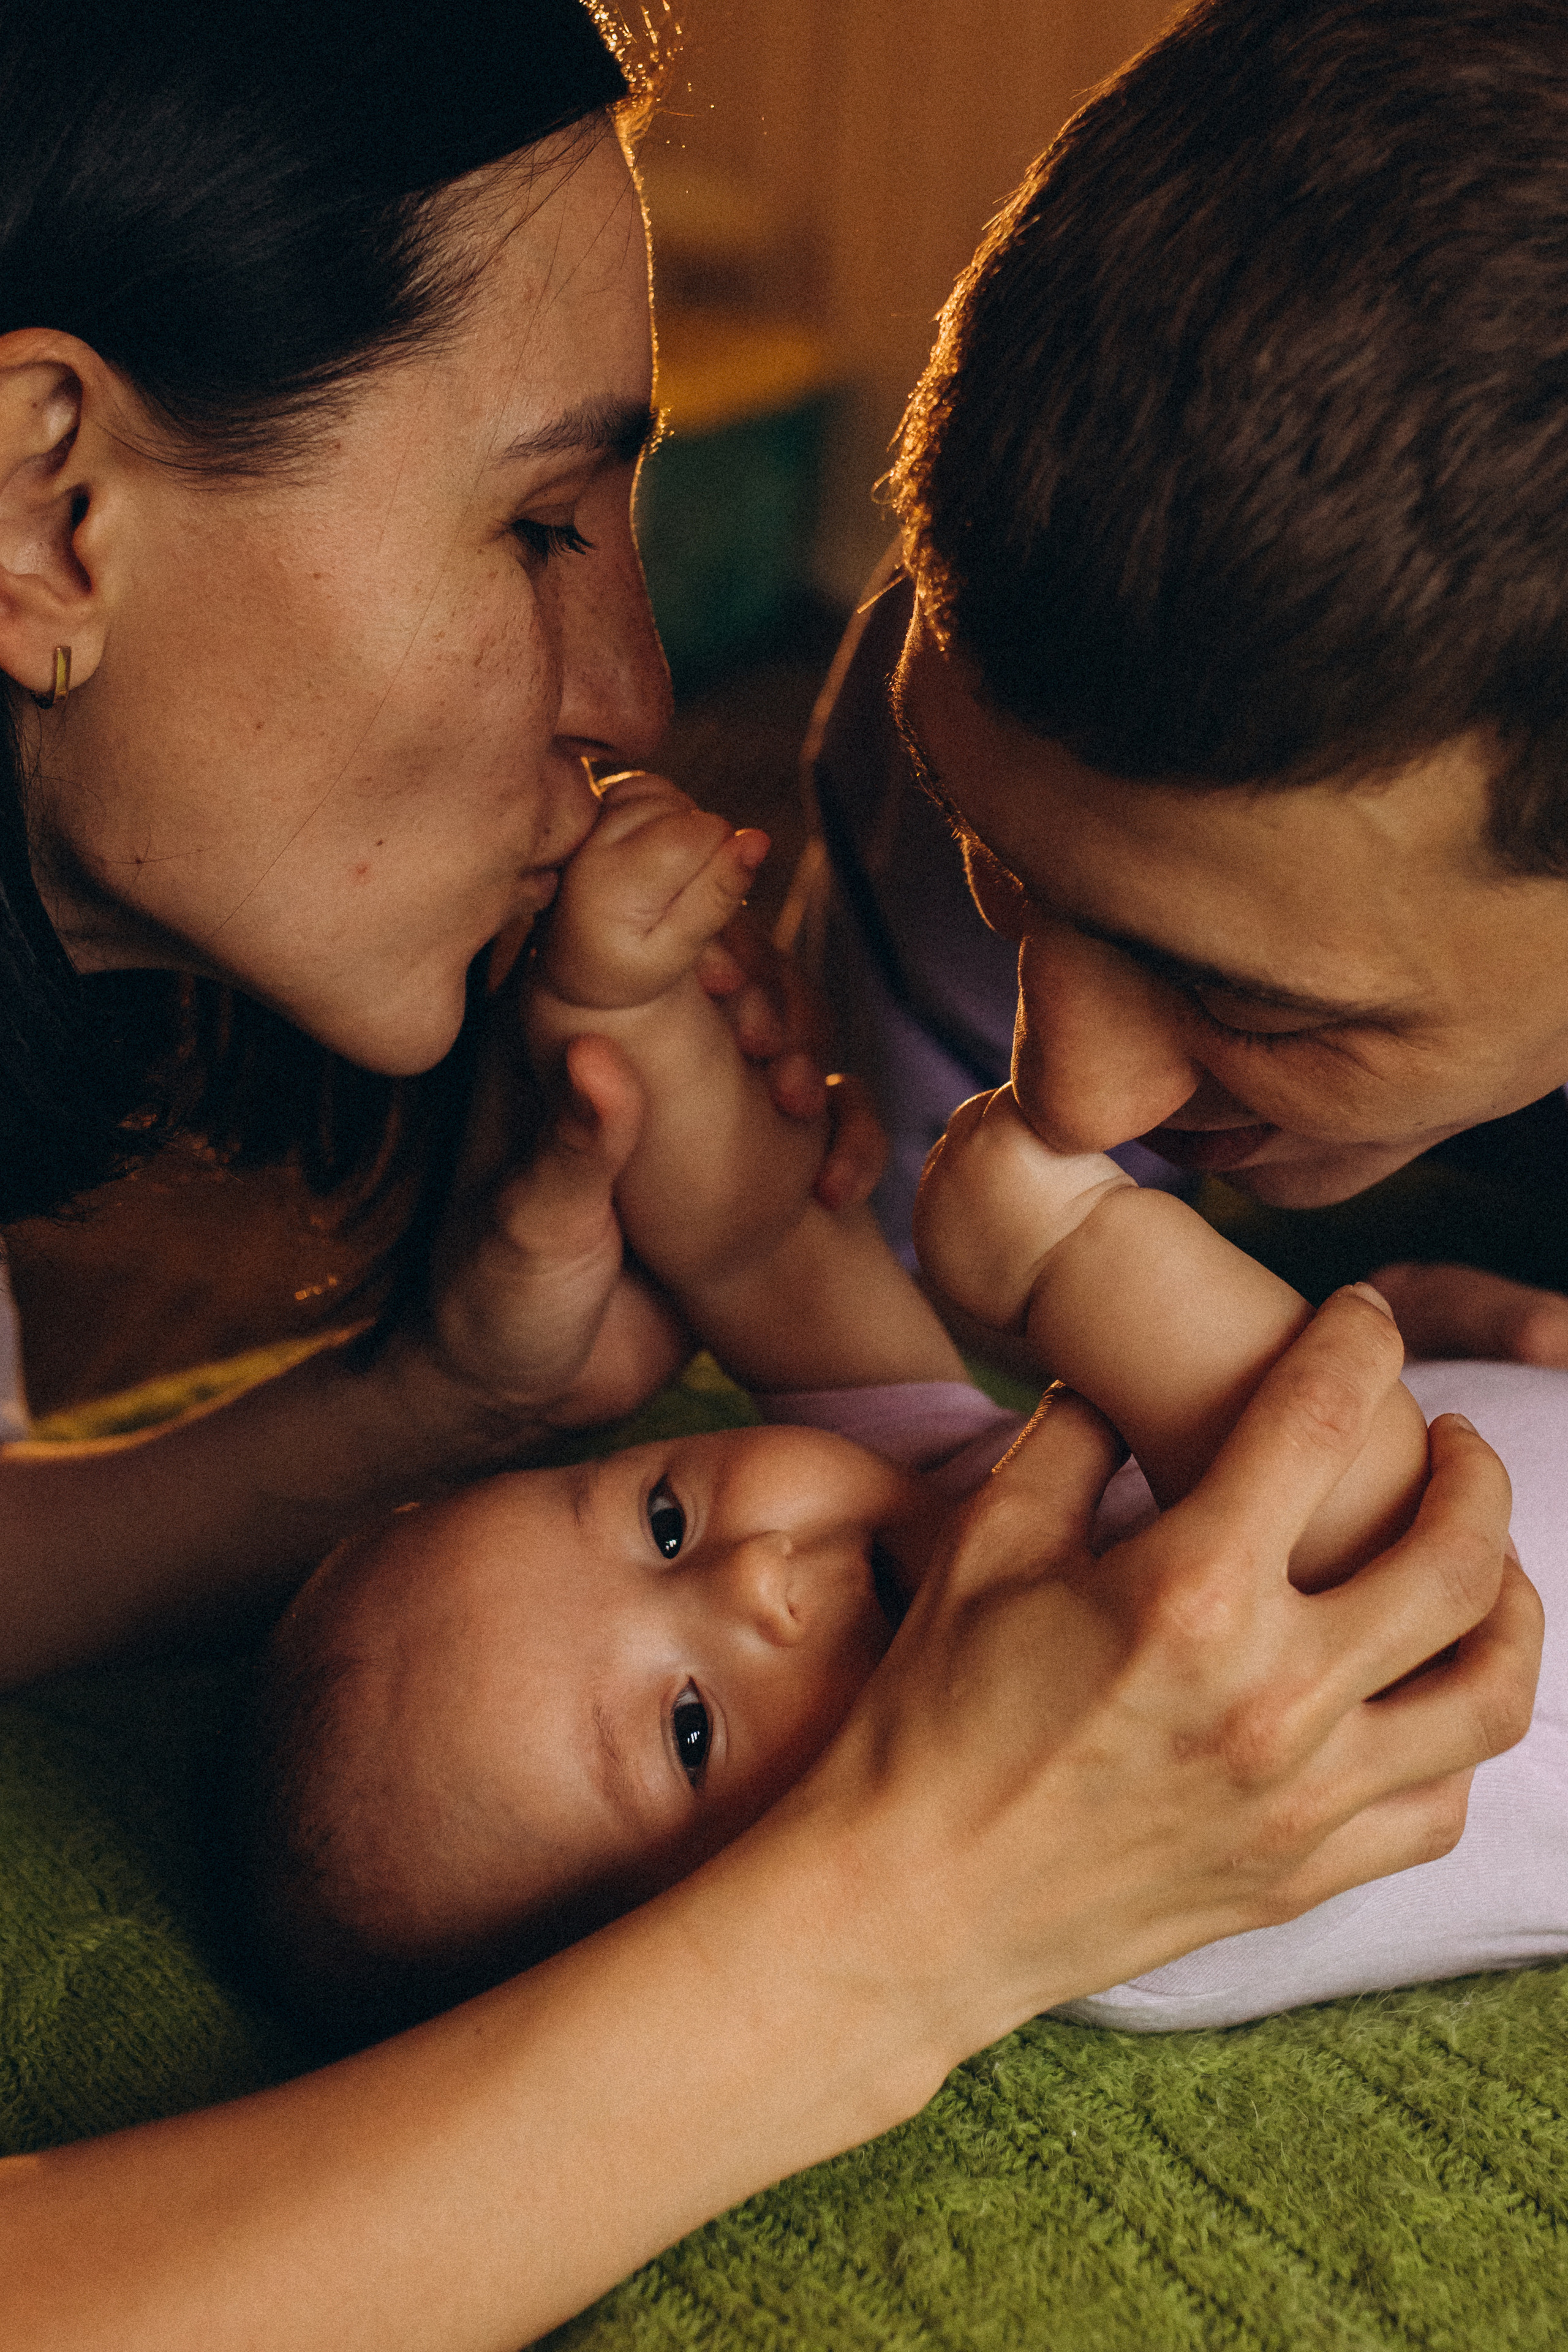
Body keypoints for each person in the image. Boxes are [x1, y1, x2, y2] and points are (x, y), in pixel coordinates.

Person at [0, 3, 1539, 2346]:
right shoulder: (974, 816)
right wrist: (917, 1905)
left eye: (1271, 1002)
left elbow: (808, 1264)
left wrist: (423, 1411)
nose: (1075, 1092)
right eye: (533, 522)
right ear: (43, 505)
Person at [252, 773, 1563, 2048]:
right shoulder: (1137, 1865)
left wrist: (616, 1002)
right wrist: (1073, 1254)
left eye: (661, 1518)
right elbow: (1399, 1544)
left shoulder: (926, 1512)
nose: (755, 1573)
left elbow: (754, 1246)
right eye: (689, 1729)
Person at [812, 0, 1568, 1371]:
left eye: (1264, 1009)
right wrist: (1203, 1373)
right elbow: (930, 1361)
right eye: (1001, 867)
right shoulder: (1019, 693)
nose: (1067, 1097)